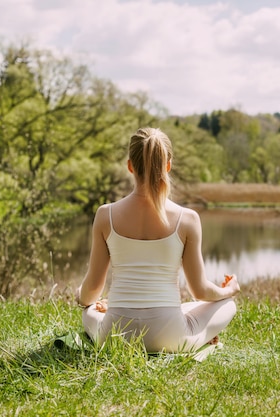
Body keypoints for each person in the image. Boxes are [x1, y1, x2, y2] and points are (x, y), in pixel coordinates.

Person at [76, 127, 240, 354]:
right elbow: (200, 291)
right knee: (226, 305)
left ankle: (109, 313)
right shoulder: (188, 219)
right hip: (171, 338)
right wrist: (229, 290)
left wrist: (82, 298)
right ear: (168, 165)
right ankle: (202, 336)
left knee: (89, 309)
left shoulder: (106, 215)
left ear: (130, 166)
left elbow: (92, 290)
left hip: (114, 337)